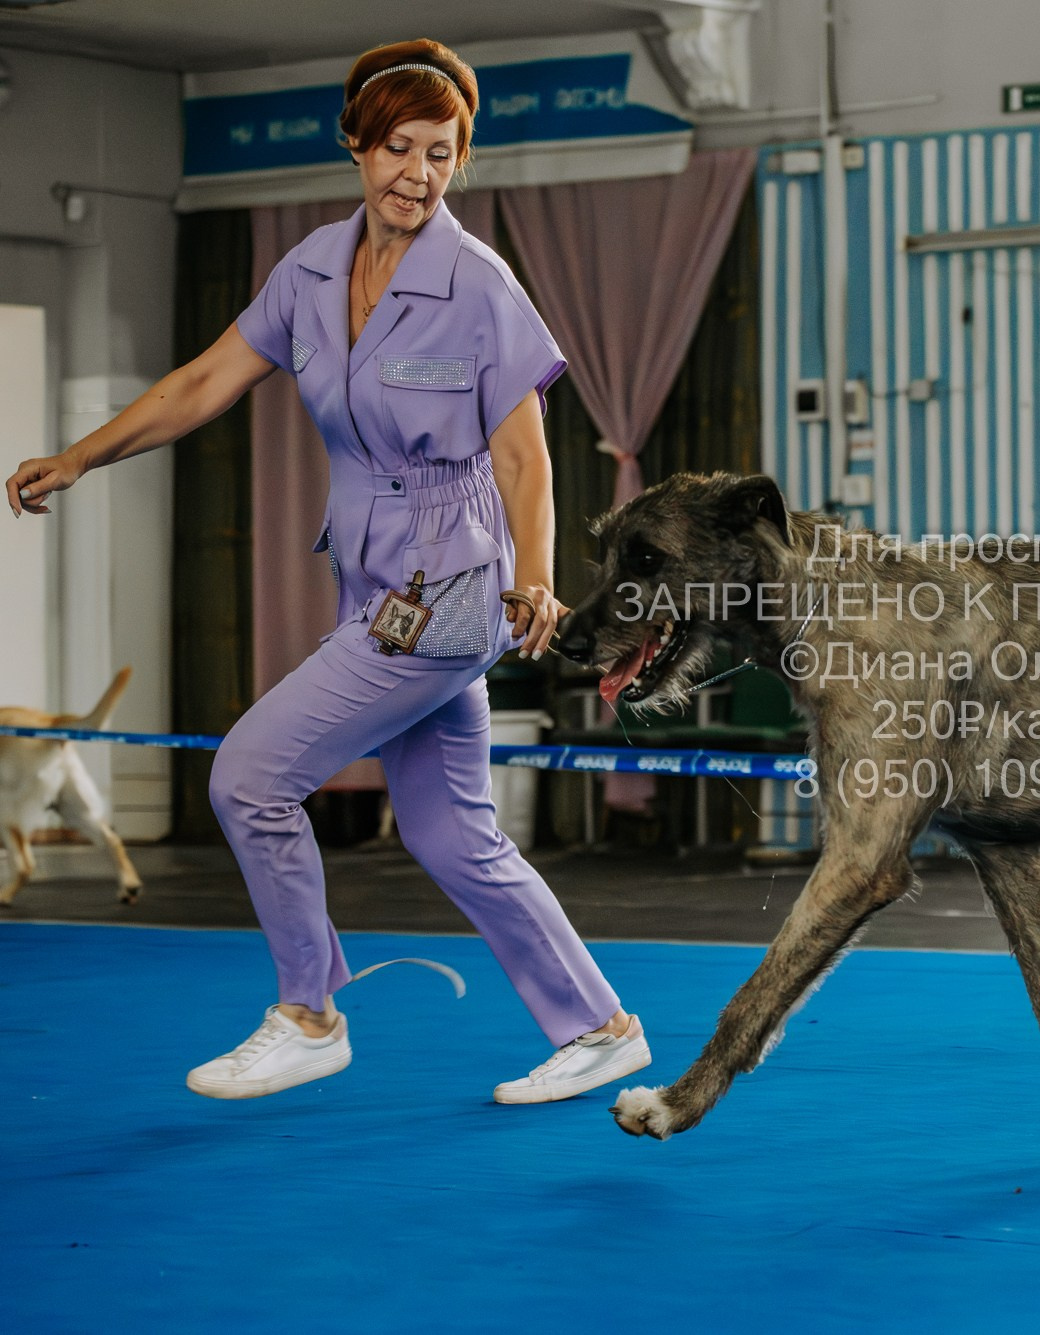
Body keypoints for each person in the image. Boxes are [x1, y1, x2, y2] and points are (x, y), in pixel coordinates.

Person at [6, 38, 651, 1106]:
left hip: (452, 588)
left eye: (442, 153)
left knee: (248, 776)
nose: (419, 172)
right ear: (356, 144)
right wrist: (79, 456)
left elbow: (524, 454)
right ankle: (598, 1026)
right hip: (371, 576)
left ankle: (309, 1014)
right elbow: (201, 382)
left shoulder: (477, 284)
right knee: (452, 833)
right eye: (399, 146)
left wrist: (534, 578)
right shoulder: (307, 270)